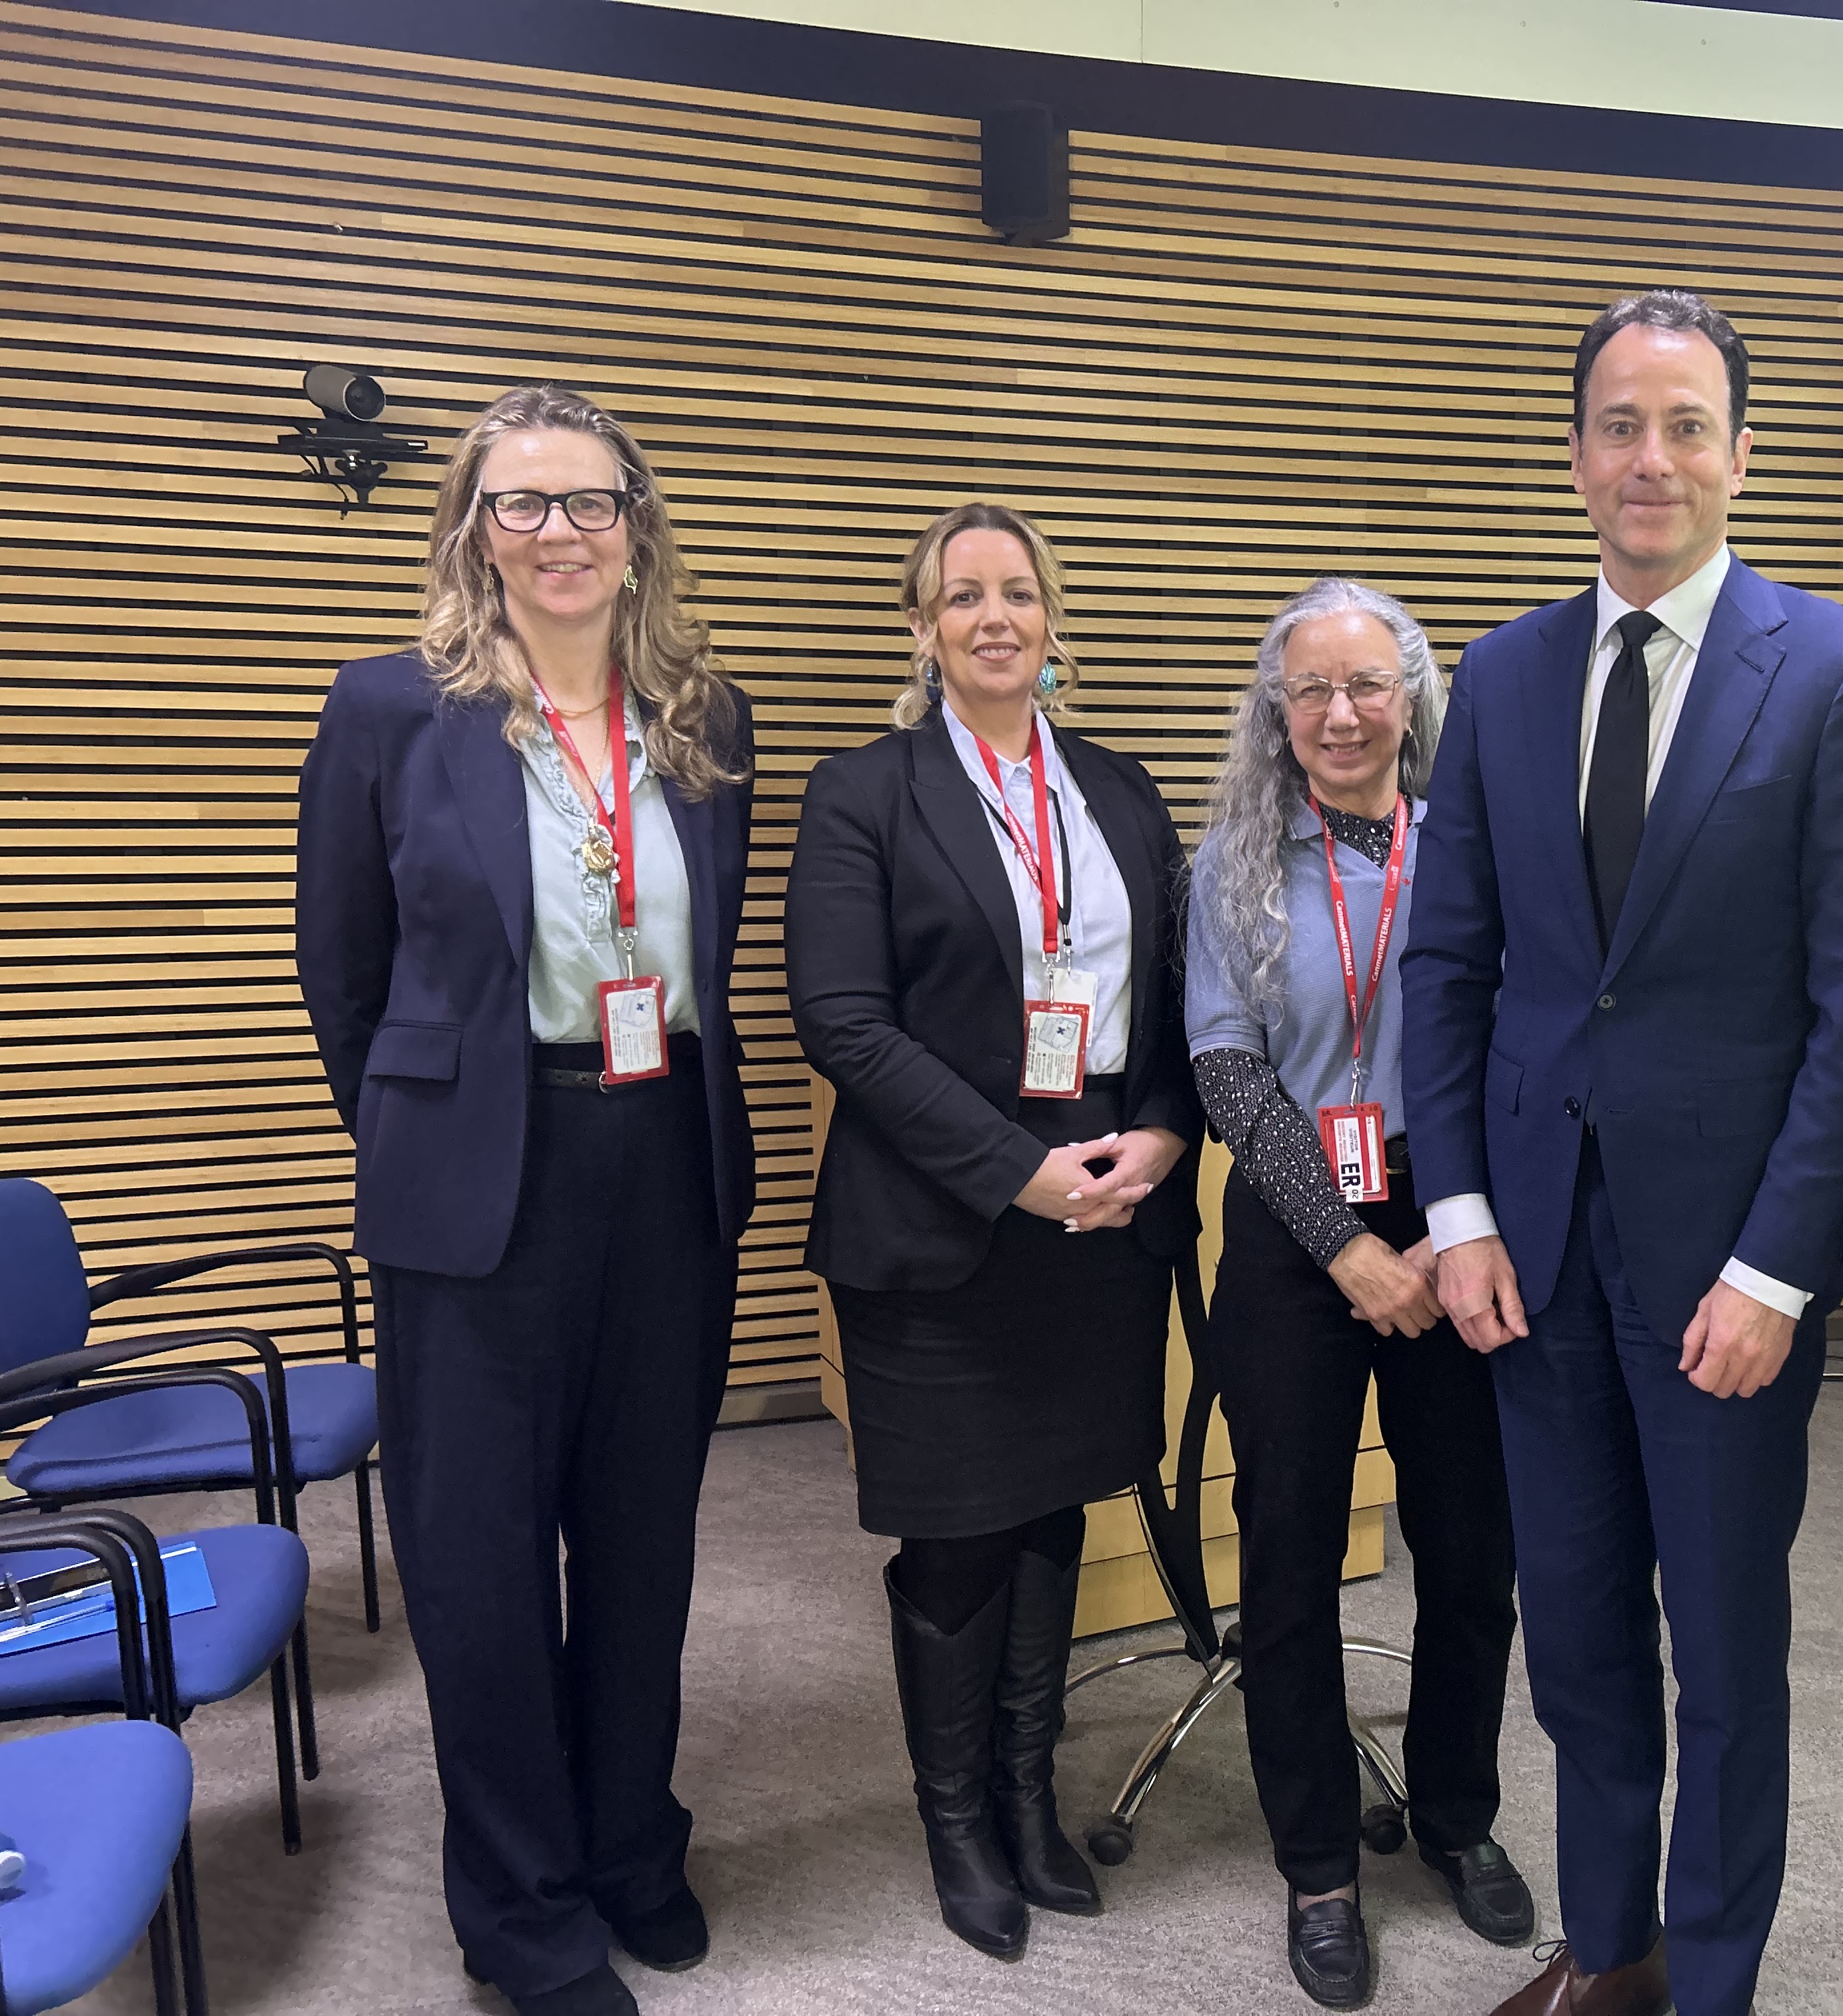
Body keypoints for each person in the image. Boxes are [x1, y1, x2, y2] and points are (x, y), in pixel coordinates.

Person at [1399, 291, 1843, 2016]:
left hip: (1727, 1269)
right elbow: (1449, 961)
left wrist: (1781, 1268)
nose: (1653, 458)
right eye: (1620, 424)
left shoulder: (1842, 673)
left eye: (1687, 424)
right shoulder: (1499, 672)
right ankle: (1608, 1954)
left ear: (1739, 455)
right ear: (1575, 455)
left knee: (1724, 1650)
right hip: (1534, 1250)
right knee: (1577, 1639)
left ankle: (1711, 1984)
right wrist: (1459, 1209)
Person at [295, 385, 757, 2016]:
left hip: (665, 1171)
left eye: (588, 502)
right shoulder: (388, 712)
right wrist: (440, 1128)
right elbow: (341, 974)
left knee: (641, 1544)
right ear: (473, 530)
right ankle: (523, 1906)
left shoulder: (705, 716)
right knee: (482, 1563)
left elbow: (700, 953)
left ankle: (632, 1844)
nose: (557, 533)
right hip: (480, 1186)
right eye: (522, 504)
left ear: (637, 523)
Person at [783, 501, 1200, 1963]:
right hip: (941, 1226)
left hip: (1103, 1224)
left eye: (1019, 590)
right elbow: (841, 1019)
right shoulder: (864, 794)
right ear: (924, 629)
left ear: (1051, 617)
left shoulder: (1124, 791)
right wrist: (1013, 1172)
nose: (995, 617)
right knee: (956, 1544)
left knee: (1052, 1518)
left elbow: (1175, 999)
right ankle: (956, 1821)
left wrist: (1157, 1131)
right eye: (963, 596)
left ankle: (1029, 1800)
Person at [1188, 579, 1530, 2010]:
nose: (1341, 713)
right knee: (1288, 1554)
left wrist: (1449, 1234)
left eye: (1368, 685)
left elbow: (1522, 1047)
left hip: (1462, 1224)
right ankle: (1318, 1857)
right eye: (1312, 688)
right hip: (1297, 1231)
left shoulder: (1482, 849)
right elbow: (1226, 1073)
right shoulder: (1232, 865)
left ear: (1413, 698)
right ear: (1278, 706)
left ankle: (1453, 1812)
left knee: (1469, 1550)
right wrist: (1346, 1247)